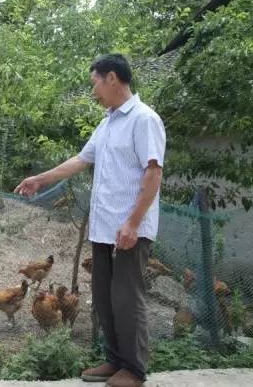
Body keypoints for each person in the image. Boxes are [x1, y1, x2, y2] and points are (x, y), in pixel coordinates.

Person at [14, 54, 165, 387]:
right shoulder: (109, 121)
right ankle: (115, 361)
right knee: (104, 295)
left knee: (127, 297)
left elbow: (154, 173)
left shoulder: (144, 119)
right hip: (104, 228)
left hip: (129, 230)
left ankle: (135, 370)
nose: (93, 90)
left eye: (94, 82)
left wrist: (133, 223)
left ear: (112, 78)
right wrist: (40, 178)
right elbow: (82, 160)